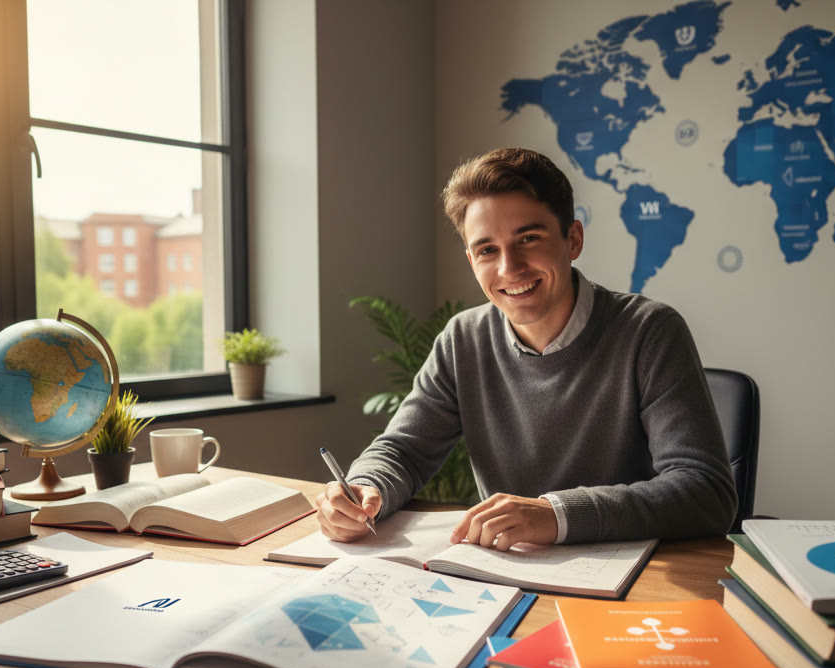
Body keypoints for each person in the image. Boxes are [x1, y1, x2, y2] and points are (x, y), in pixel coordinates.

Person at [315, 147, 736, 549]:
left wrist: (556, 514)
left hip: (635, 582)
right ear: (471, 260)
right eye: (487, 250)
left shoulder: (650, 331)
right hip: (504, 574)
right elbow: (403, 451)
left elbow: (704, 491)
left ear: (572, 239)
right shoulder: (463, 339)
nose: (509, 268)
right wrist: (366, 489)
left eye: (529, 239)